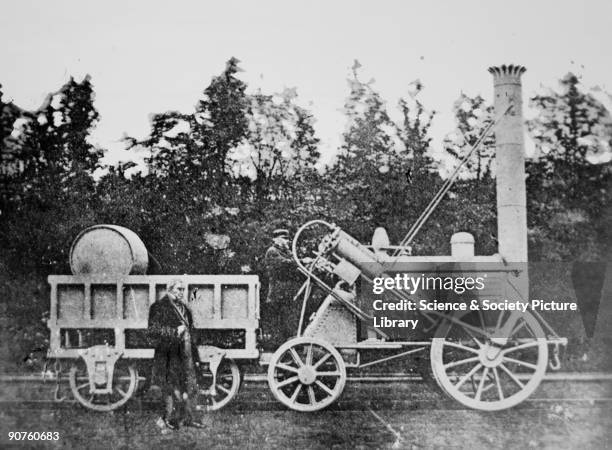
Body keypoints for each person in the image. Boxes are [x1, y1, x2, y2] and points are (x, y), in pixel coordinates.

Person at [148, 278, 204, 432]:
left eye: (183, 289)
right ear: (169, 289)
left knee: (190, 386)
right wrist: (174, 331)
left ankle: (189, 419)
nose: (182, 292)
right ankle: (168, 419)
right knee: (171, 388)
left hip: (186, 354)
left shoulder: (184, 308)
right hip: (170, 355)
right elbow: (152, 331)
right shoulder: (159, 307)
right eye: (179, 289)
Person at [263, 229, 300, 347]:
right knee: (279, 323)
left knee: (287, 321)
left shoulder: (284, 251)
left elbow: (292, 262)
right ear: (276, 239)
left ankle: (286, 346)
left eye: (287, 239)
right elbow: (285, 264)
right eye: (284, 239)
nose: (287, 241)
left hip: (284, 293)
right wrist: (298, 261)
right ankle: (277, 348)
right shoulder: (272, 251)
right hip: (277, 293)